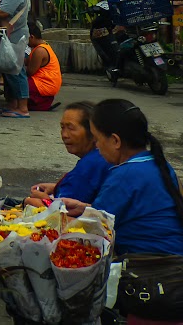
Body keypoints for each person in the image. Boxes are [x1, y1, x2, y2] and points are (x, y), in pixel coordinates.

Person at [60, 100, 183, 324]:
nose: (96, 147)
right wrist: (86, 208)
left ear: (115, 141)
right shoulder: (157, 163)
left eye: (97, 139)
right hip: (174, 269)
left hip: (152, 279)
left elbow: (90, 232)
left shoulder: (125, 174)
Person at [26, 102, 111, 208]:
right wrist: (56, 187)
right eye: (62, 127)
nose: (64, 135)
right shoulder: (101, 157)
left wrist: (40, 199)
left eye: (71, 128)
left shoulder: (90, 164)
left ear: (93, 132)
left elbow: (63, 210)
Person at [26, 20, 61, 111]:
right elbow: (27, 61)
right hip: (47, 83)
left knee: (19, 81)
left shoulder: (40, 50)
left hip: (45, 84)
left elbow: (30, 71)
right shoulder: (42, 46)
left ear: (32, 37)